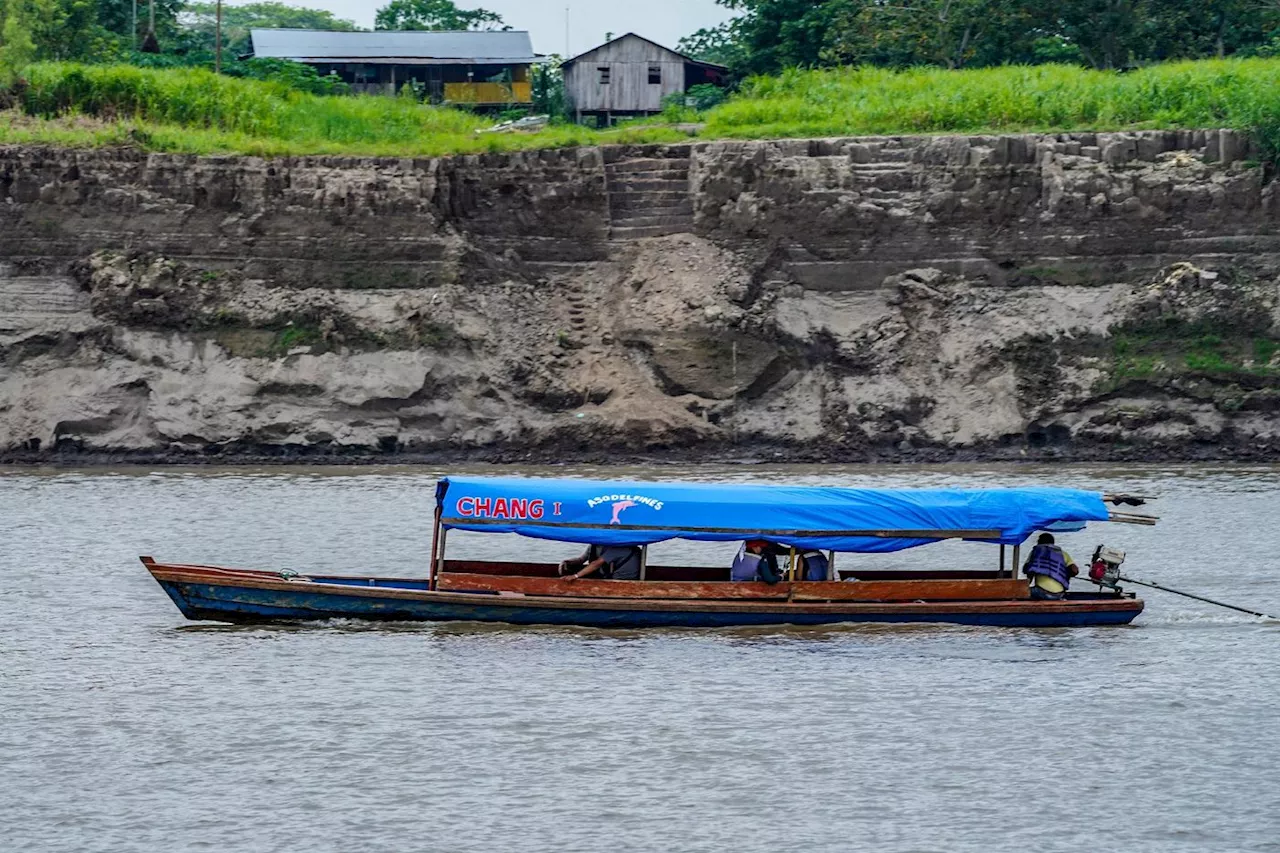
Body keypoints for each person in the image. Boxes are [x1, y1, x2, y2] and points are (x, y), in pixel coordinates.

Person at [1022, 533, 1079, 600]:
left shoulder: (1036, 552)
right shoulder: (1062, 553)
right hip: (1059, 594)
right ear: (1053, 542)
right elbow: (1075, 570)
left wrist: (1027, 585)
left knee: (1020, 593)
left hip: (1041, 592)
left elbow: (1027, 570)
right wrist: (1064, 574)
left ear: (1040, 542)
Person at [558, 543, 643, 581]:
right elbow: (581, 559)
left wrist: (575, 576)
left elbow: (596, 564)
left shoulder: (617, 548)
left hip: (623, 580)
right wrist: (568, 562)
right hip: (608, 575)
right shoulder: (593, 546)